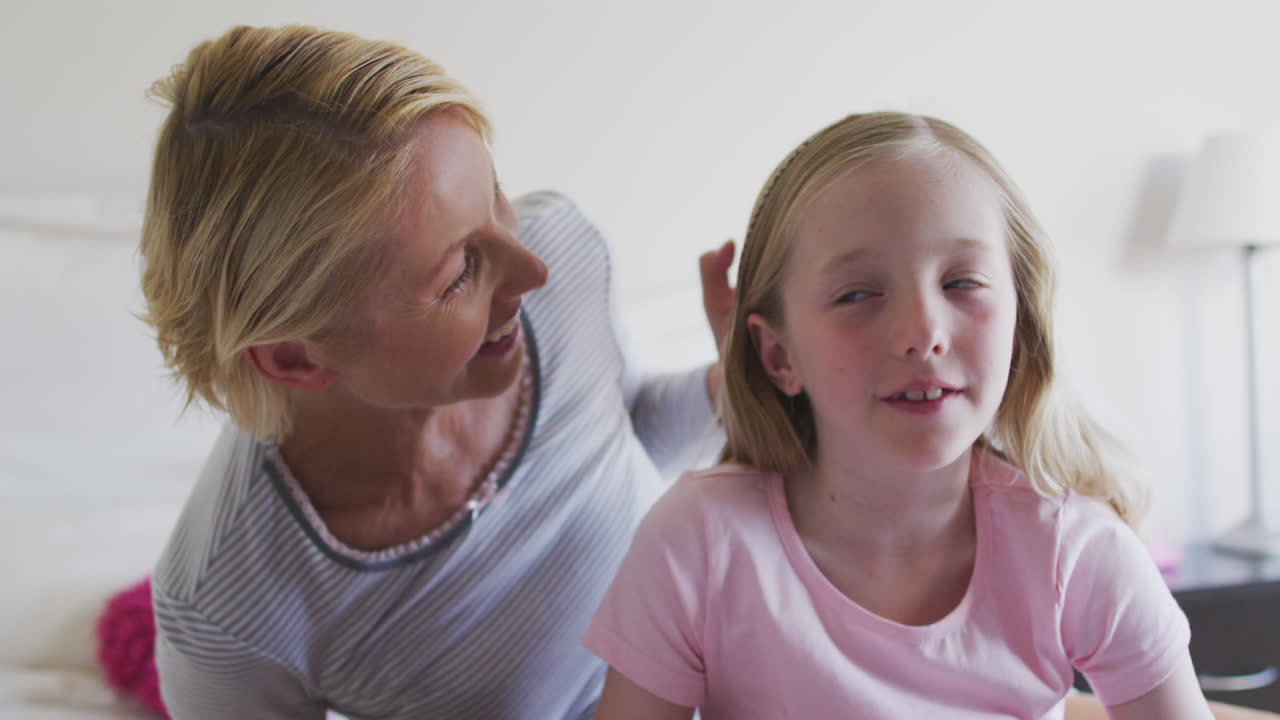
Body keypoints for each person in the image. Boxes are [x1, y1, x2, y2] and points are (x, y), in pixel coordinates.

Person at [138, 24, 728, 719]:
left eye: (497, 195)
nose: (529, 270)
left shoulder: (564, 255)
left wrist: (744, 383)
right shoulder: (228, 610)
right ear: (295, 356)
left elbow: (623, 435)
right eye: (459, 274)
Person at [583, 111, 1216, 719]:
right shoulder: (697, 542)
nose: (922, 334)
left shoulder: (1075, 553)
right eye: (857, 294)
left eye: (962, 282)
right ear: (778, 354)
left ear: (1018, 319)